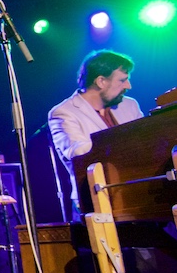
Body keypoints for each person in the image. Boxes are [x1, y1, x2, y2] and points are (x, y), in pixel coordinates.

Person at [48, 49, 143, 219]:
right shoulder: (63, 113)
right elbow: (78, 154)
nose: (128, 86)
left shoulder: (130, 105)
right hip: (95, 201)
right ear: (101, 81)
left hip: (139, 195)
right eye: (122, 80)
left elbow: (146, 141)